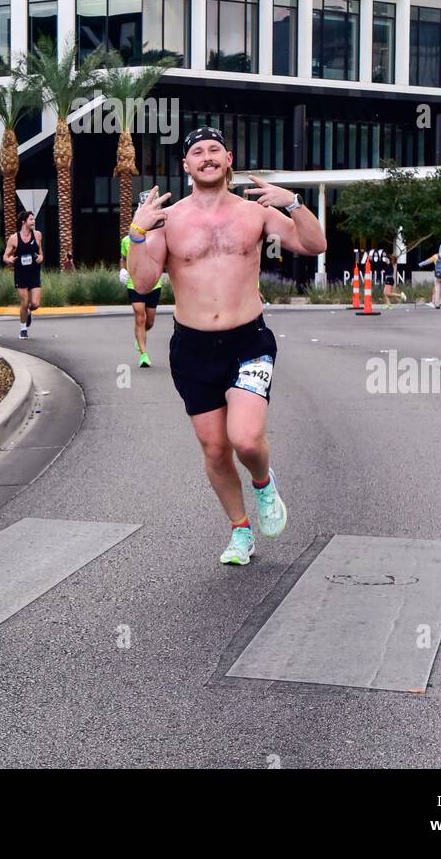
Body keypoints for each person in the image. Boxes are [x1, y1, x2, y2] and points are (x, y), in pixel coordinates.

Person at [126, 126, 326, 567]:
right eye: (198, 152)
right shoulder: (168, 219)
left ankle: (263, 482)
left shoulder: (255, 213)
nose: (207, 157)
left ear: (229, 158)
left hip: (248, 340)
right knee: (215, 448)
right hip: (193, 348)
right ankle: (240, 531)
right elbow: (142, 281)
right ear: (186, 165)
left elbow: (315, 244)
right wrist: (138, 233)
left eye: (215, 149)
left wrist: (292, 203)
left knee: (246, 439)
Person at [120, 191, 162, 368]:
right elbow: (123, 258)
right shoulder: (128, 239)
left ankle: (140, 336)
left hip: (154, 284)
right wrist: (122, 270)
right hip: (134, 283)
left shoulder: (159, 237)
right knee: (140, 316)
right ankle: (143, 354)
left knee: (149, 321)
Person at [3, 210, 43, 339]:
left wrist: (40, 258)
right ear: (24, 222)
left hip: (34, 273)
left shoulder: (37, 235)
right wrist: (8, 260)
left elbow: (41, 253)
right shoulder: (14, 238)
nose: (34, 221)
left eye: (34, 219)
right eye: (31, 219)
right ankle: (23, 329)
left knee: (35, 304)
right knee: (24, 302)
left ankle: (29, 312)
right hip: (20, 274)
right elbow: (5, 256)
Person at [422, 243, 441, 307]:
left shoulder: (435, 256)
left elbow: (427, 261)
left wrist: (421, 264)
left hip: (437, 275)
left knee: (437, 289)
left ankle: (437, 304)